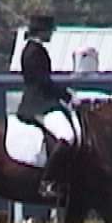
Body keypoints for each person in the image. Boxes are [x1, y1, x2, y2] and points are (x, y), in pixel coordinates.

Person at [17, 14, 77, 197]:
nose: (51, 34)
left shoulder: (34, 49)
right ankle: (47, 181)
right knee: (67, 136)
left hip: (43, 100)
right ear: (41, 31)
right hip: (38, 104)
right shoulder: (34, 51)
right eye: (49, 31)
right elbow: (43, 82)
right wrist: (67, 94)